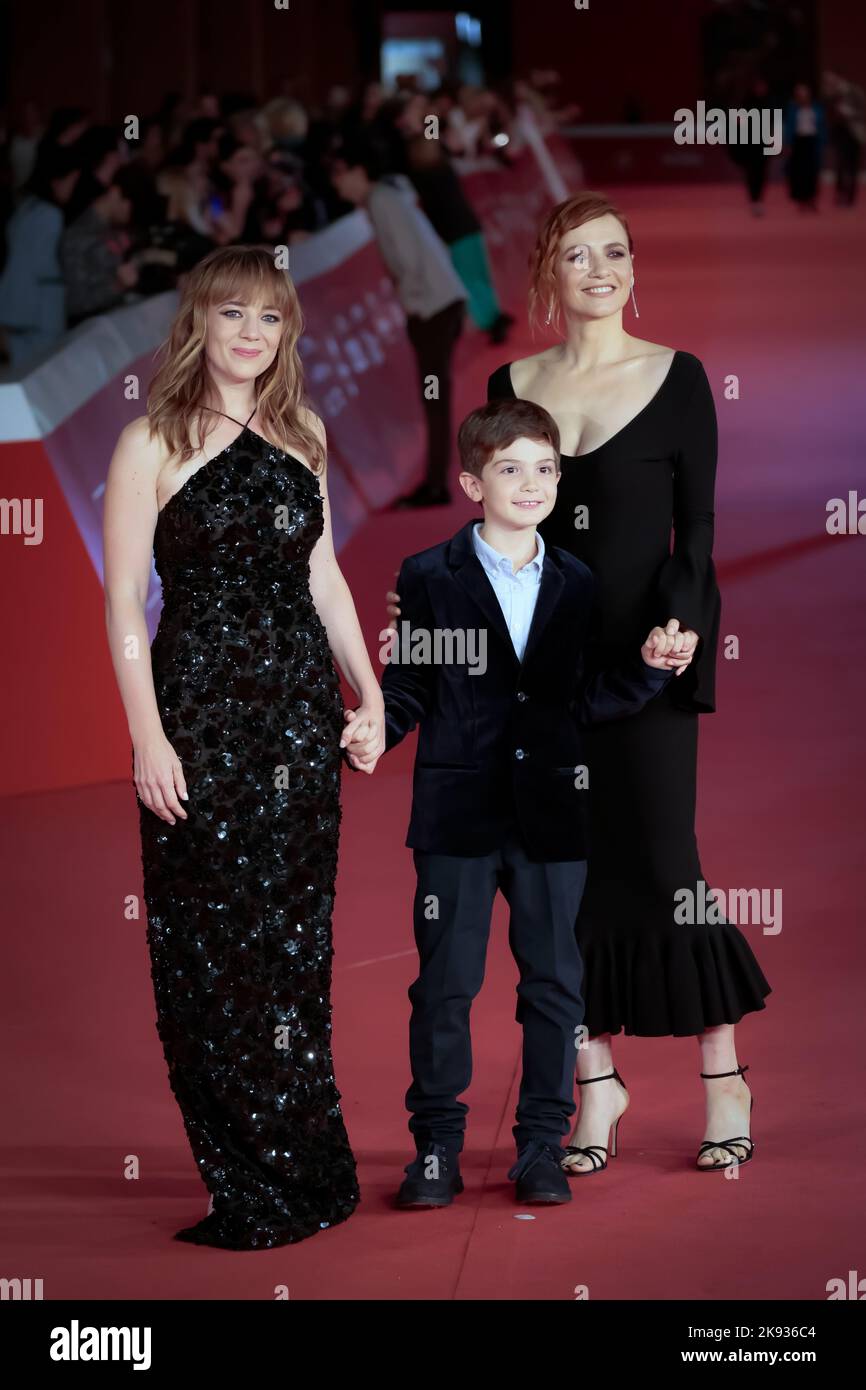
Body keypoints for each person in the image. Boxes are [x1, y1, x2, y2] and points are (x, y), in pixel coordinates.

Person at [388, 190, 771, 1174]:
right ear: (545, 277)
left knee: (661, 858)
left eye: (613, 254)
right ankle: (593, 1085)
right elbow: (500, 530)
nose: (598, 271)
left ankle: (721, 1072)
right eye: (575, 257)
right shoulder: (512, 381)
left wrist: (680, 629)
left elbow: (699, 533)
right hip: (544, 677)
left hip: (646, 666)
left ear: (632, 269)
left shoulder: (678, 378)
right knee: (565, 881)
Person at [102, 244, 384, 1249]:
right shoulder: (149, 442)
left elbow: (326, 578)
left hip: (299, 716)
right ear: (198, 325)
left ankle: (308, 1165)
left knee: (291, 946)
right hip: (201, 719)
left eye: (269, 319)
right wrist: (147, 735)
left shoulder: (301, 430)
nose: (252, 335)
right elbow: (123, 607)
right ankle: (248, 1176)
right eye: (233, 315)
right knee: (210, 948)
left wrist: (370, 691)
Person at [351, 398, 689, 1207]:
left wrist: (646, 668)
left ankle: (541, 1143)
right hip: (457, 820)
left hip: (553, 815)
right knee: (445, 986)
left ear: (559, 476)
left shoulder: (578, 582)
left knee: (553, 985)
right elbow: (411, 686)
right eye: (509, 468)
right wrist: (374, 730)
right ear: (472, 480)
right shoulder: (427, 577)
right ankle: (435, 1148)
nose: (530, 483)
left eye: (544, 467)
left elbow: (586, 700)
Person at [329, 136, 467, 508]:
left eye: (339, 174)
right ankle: (436, 480)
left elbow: (405, 260)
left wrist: (412, 306)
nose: (335, 182)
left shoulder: (380, 201)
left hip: (432, 308)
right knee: (436, 396)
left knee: (434, 396)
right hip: (442, 302)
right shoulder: (388, 196)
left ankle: (437, 485)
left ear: (359, 172)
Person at [0, 144, 78, 367]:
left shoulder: (27, 206)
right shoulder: (50, 215)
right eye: (72, 182)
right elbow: (43, 264)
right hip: (39, 298)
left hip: (15, 293)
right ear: (57, 181)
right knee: (40, 353)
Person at [782, 83, 826, 211]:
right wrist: (788, 143)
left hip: (812, 142)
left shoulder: (816, 108)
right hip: (798, 142)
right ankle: (801, 199)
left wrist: (822, 141)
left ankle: (811, 198)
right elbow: (789, 127)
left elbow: (821, 126)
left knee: (812, 171)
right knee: (799, 172)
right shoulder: (793, 109)